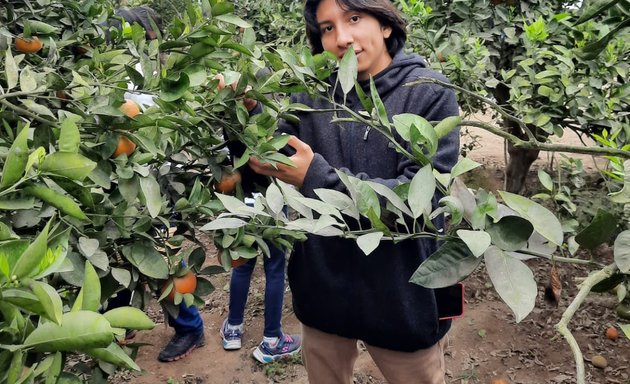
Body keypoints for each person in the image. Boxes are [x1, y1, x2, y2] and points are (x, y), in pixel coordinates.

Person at [244, 0, 461, 383]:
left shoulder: (428, 92)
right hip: (324, 288)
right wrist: (243, 118)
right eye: (327, 28)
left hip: (400, 295)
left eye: (354, 19)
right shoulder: (310, 97)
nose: (341, 38)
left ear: (386, 25)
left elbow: (419, 200)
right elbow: (268, 162)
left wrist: (317, 177)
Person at [101, 7, 205, 363]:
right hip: (120, 183)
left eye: (144, 37)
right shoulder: (111, 73)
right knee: (115, 253)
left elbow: (152, 117)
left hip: (157, 183)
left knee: (164, 258)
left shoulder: (152, 76)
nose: (143, 44)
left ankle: (189, 327)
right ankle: (117, 322)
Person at [219, 204, 302, 363]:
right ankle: (272, 339)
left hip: (243, 202)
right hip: (272, 205)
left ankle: (233, 329)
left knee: (242, 265)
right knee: (275, 270)